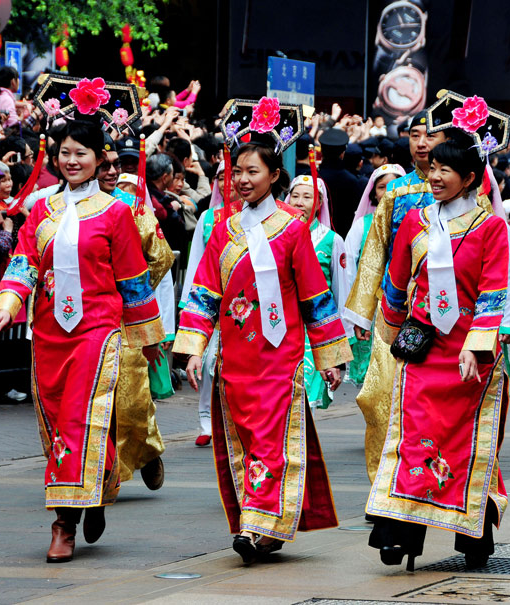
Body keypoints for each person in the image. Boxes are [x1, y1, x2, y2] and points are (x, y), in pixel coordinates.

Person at [0, 112, 165, 563]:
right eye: (64, 152)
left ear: (99, 156)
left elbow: (133, 279)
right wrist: (7, 307)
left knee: (80, 422)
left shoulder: (117, 211)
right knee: (57, 428)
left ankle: (63, 524)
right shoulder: (42, 208)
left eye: (80, 153)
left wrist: (149, 339)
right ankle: (96, 491)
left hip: (96, 333)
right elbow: (23, 262)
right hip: (47, 334)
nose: (71, 160)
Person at [174, 99, 351, 564]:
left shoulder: (293, 230)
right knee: (248, 443)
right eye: (239, 171)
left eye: (254, 171)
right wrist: (193, 348)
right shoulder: (222, 230)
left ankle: (258, 526)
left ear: (274, 175)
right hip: (235, 361)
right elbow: (204, 292)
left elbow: (316, 297)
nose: (244, 179)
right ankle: (263, 525)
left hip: (281, 359)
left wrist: (332, 358)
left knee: (273, 442)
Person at [366, 133, 510, 572]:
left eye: (446, 170)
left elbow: (492, 293)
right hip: (425, 351)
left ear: (469, 178)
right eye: (432, 169)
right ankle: (400, 531)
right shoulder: (417, 221)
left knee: (466, 444)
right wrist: (389, 336)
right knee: (414, 438)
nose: (434, 177)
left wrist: (477, 347)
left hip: (470, 356)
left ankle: (473, 533)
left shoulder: (490, 228)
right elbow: (395, 283)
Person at [343, 111, 447, 495]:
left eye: (429, 136)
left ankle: (428, 483)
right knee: (379, 397)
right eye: (414, 135)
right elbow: (375, 253)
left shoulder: (464, 194)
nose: (421, 142)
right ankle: (382, 485)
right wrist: (360, 311)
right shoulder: (395, 193)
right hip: (394, 314)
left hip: (442, 316)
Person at [96, 133, 174, 489]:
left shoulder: (133, 208)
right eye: (105, 164)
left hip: (124, 316)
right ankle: (95, 474)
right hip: (77, 319)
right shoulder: (53, 208)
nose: (111, 172)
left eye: (117, 166)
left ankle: (144, 451)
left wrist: (131, 289)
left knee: (131, 392)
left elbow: (161, 256)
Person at [178, 160, 242, 446]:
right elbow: (196, 263)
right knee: (206, 364)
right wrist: (188, 304)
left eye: (234, 175)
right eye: (221, 177)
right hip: (211, 299)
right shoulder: (207, 217)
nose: (227, 182)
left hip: (243, 303)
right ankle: (206, 421)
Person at [285, 175, 349, 409]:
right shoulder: (276, 236)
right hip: (281, 324)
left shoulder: (332, 240)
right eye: (295, 195)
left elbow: (340, 292)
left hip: (314, 329)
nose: (299, 202)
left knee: (306, 397)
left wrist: (338, 349)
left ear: (319, 203)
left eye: (307, 196)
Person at [343, 164, 405, 385]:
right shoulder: (361, 226)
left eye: (395, 186)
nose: (388, 191)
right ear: (373, 193)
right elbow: (350, 270)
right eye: (382, 187)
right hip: (372, 305)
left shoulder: (416, 221)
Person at [318, 127, 368, 236]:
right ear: (342, 153)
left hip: (315, 235)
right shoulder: (352, 181)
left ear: (321, 152)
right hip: (344, 235)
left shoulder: (312, 176)